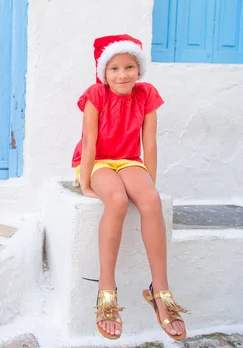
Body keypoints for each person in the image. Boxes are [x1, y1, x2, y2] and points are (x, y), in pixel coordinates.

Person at [72, 34, 188, 340]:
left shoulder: (146, 94)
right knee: (117, 199)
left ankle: (160, 291)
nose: (122, 75)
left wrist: (148, 181)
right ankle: (106, 287)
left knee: (150, 202)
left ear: (139, 69)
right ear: (103, 72)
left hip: (128, 159)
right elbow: (89, 141)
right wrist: (84, 182)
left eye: (129, 67)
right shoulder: (95, 95)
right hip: (97, 160)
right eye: (114, 69)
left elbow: (149, 143)